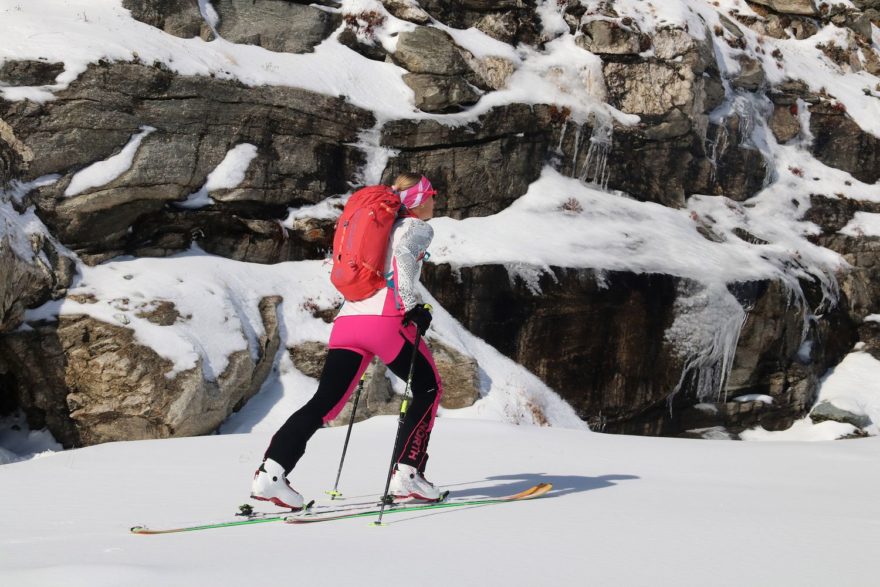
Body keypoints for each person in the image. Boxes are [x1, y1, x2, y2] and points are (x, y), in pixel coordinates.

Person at [250, 173, 444, 509]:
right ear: (418, 200)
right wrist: (414, 307)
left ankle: (271, 474)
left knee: (323, 402)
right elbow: (402, 264)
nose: (435, 200)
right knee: (428, 388)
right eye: (431, 194)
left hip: (348, 322)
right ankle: (408, 474)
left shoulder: (376, 226)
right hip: (385, 321)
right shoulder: (415, 228)